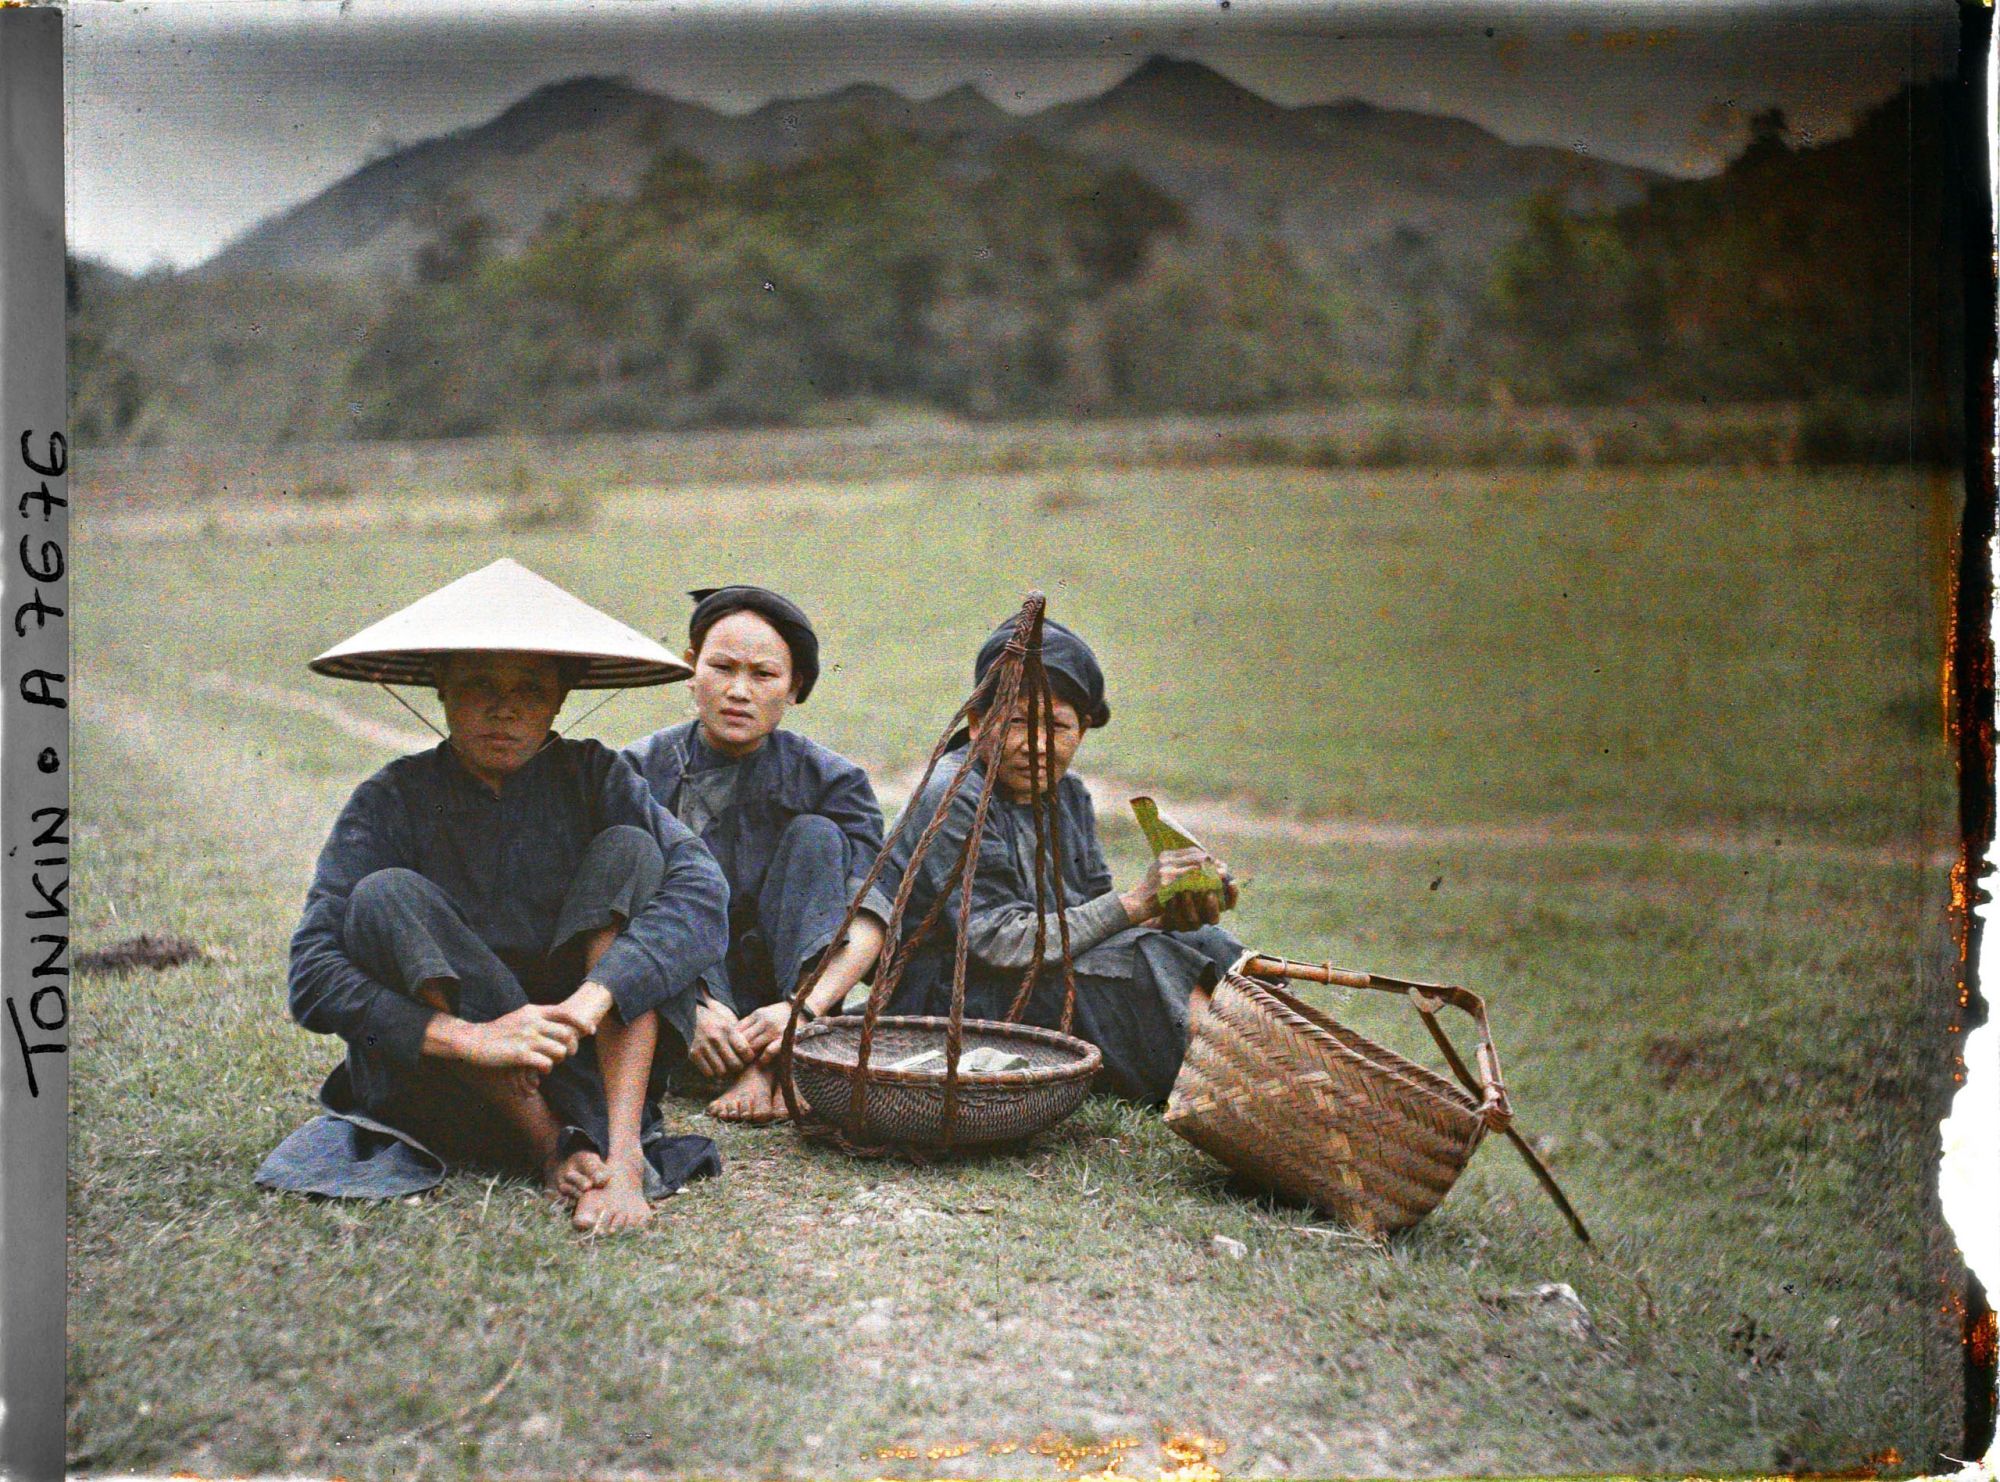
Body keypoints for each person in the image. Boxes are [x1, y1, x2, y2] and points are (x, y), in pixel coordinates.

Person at [257, 559, 731, 1235]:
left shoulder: (595, 776)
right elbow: (312, 975)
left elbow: (701, 891)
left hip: (584, 1059)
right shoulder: (390, 799)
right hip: (454, 1084)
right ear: (442, 690)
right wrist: (472, 1038)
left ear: (560, 700)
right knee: (385, 895)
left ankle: (621, 1157)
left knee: (635, 850)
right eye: (479, 684)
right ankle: (547, 1143)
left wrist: (593, 997)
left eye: (529, 689)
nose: (504, 708)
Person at [877, 616, 1242, 1104]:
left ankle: (1275, 1060)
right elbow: (994, 941)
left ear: (1083, 730)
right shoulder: (955, 793)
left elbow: (1091, 913)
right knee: (1146, 963)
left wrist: (1171, 907)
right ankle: (1234, 1081)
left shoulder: (1067, 794)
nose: (1037, 745)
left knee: (1206, 940)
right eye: (1015, 723)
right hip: (952, 999)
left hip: (1036, 978)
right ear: (978, 723)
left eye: (1058, 726)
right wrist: (1137, 904)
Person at [624, 586, 890, 1124]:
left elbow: (871, 917)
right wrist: (688, 1007)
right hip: (686, 1002)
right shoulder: (636, 771)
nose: (738, 691)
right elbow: (615, 916)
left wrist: (802, 1010)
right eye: (721, 667)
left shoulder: (834, 781)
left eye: (764, 675)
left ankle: (783, 1060)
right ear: (690, 667)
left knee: (816, 835)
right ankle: (722, 1051)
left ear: (796, 690)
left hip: (795, 1003)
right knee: (655, 857)